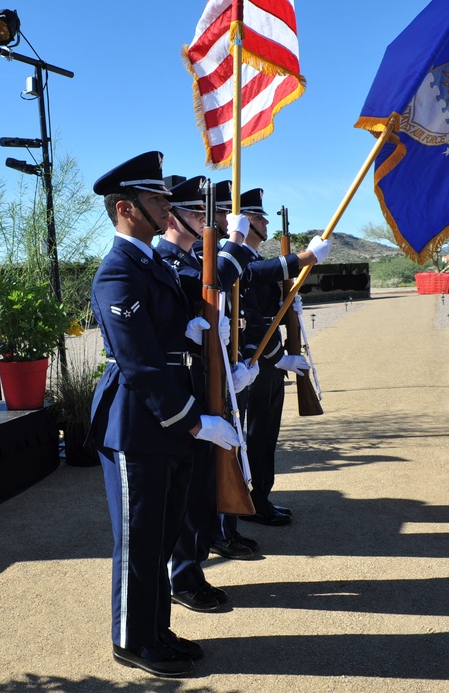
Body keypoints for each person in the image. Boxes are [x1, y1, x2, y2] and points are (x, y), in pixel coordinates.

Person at [88, 152, 239, 678]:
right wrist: (196, 420)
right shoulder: (117, 272)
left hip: (168, 422)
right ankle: (132, 639)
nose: (166, 206)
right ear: (126, 207)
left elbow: (165, 334)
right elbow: (140, 364)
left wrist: (194, 331)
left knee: (160, 533)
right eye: (155, 199)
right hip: (138, 423)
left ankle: (155, 628)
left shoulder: (150, 263)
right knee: (138, 540)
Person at [155, 176, 256, 612]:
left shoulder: (189, 258)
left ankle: (191, 571)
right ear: (173, 217)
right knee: (185, 494)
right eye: (197, 213)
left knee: (198, 493)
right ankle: (183, 576)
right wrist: (235, 239)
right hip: (183, 392)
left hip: (205, 382)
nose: (204, 219)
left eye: (204, 212)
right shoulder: (166, 261)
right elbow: (220, 278)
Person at [237, 188, 331, 523]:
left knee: (265, 434)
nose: (264, 223)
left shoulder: (253, 261)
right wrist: (278, 358)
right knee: (257, 435)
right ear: (247, 222)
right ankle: (253, 500)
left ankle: (260, 496)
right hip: (257, 365)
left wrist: (284, 306)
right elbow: (253, 322)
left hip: (265, 365)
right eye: (259, 218)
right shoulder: (243, 262)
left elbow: (266, 312)